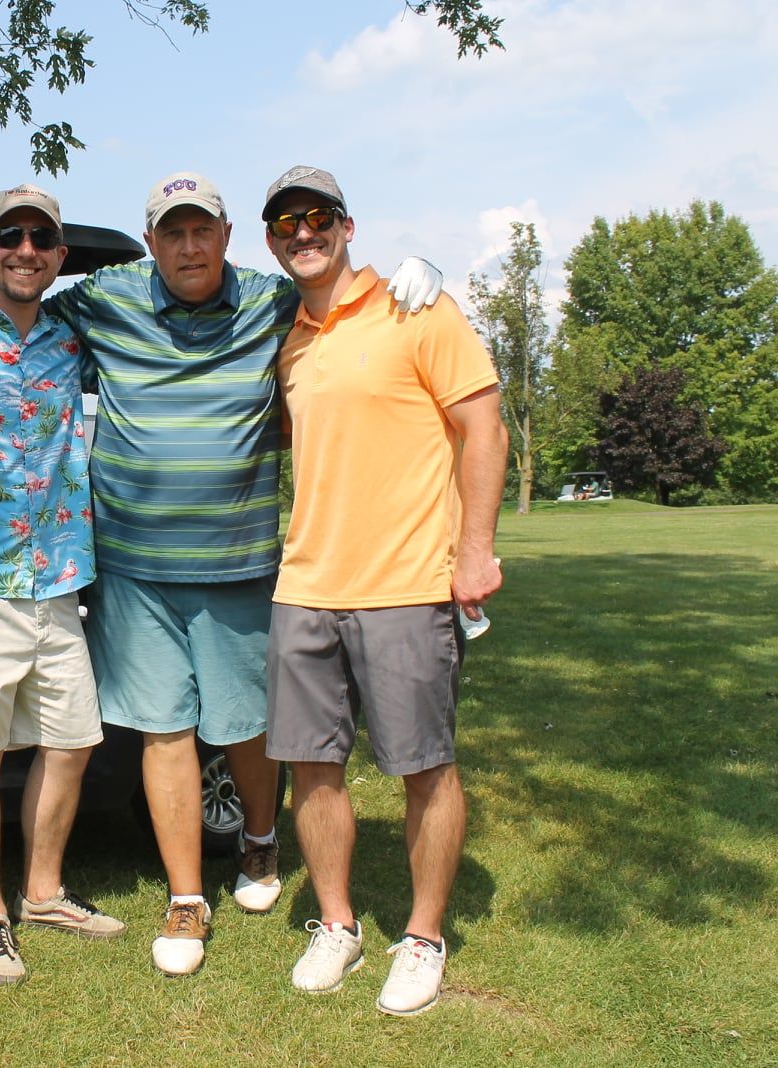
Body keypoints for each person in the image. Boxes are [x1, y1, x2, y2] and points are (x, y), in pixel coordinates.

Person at [45, 172, 444, 977]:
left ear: (228, 238)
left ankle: (259, 841)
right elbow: (14, 322)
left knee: (246, 724)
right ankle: (186, 896)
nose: (189, 247)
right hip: (135, 569)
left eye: (203, 231)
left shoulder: (270, 301)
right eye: (172, 233)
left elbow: (341, 300)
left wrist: (418, 276)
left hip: (238, 562)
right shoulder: (104, 299)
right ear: (150, 242)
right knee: (164, 731)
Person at [259, 165, 508, 1016]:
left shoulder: (418, 309)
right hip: (304, 585)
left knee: (424, 767)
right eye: (285, 223)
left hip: (406, 584)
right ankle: (338, 924)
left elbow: (484, 427)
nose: (303, 232)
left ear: (347, 224)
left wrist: (476, 550)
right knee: (312, 766)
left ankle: (424, 936)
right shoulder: (288, 339)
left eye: (317, 217)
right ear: (271, 240)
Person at [0, 184, 125, 987]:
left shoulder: (74, 334)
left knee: (72, 741)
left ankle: (42, 894)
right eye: (10, 236)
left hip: (60, 575)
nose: (25, 250)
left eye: (41, 238)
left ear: (59, 255)